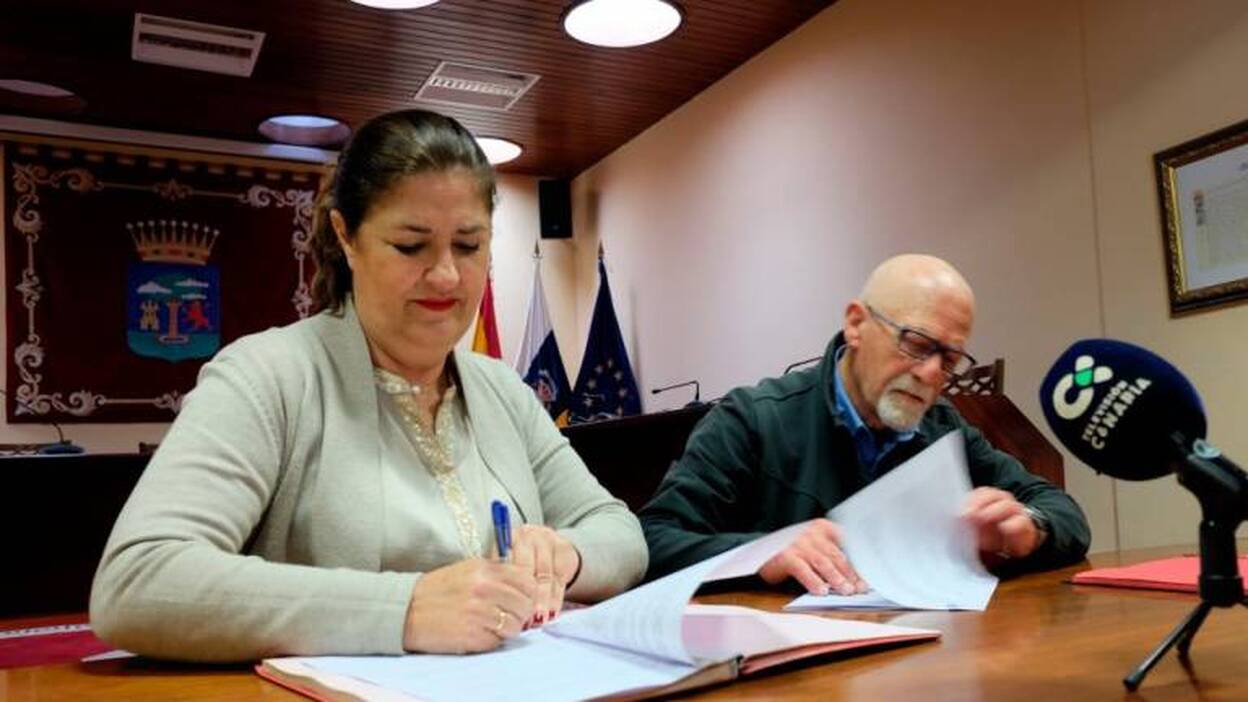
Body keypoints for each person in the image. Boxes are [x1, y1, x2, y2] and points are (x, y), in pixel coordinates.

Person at [91, 110, 647, 661]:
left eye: (469, 246)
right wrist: (406, 609)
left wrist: (566, 555)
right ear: (346, 237)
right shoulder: (266, 375)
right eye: (410, 246)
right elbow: (138, 580)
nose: (446, 275)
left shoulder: (503, 389)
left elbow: (621, 533)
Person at [640, 254, 1090, 591]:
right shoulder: (754, 418)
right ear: (856, 324)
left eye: (950, 360)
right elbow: (653, 541)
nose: (931, 374)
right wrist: (760, 552)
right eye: (916, 344)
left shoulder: (941, 427)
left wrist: (1028, 529)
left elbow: (1063, 512)